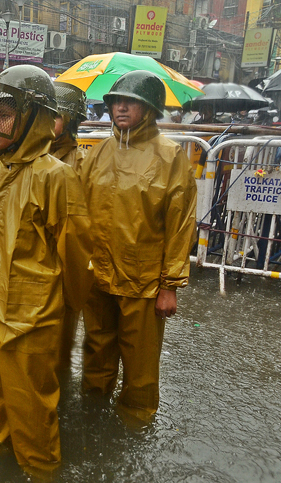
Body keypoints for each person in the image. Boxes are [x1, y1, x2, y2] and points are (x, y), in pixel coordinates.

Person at [0, 65, 89, 476]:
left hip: (29, 316)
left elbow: (74, 252)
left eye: (5, 114)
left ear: (32, 116)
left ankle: (41, 480)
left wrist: (63, 308)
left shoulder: (56, 176)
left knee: (32, 407)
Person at [80, 70, 197, 425]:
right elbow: (78, 214)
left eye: (130, 101)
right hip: (98, 276)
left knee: (140, 363)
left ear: (149, 108)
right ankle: (93, 415)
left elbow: (180, 225)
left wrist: (169, 286)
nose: (120, 108)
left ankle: (135, 422)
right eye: (116, 101)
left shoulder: (170, 156)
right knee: (96, 353)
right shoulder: (98, 153)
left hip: (143, 281)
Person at [50, 81, 93, 376]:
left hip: (64, 272)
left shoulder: (80, 164)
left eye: (55, 115)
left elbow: (80, 232)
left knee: (58, 350)